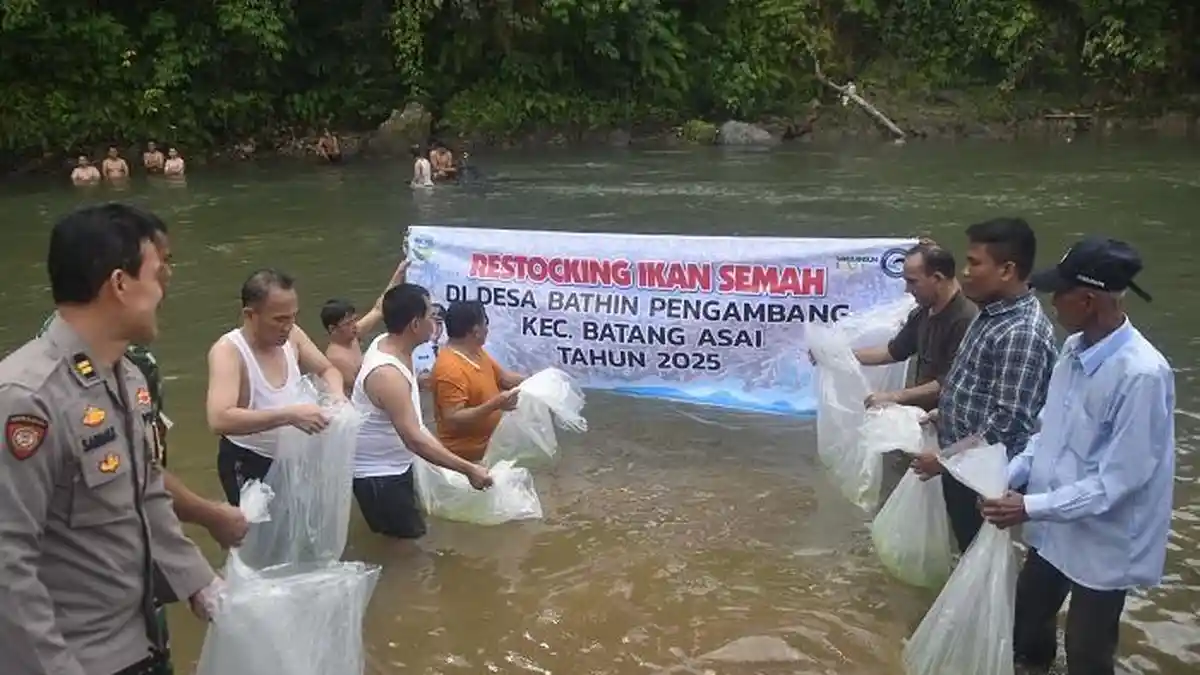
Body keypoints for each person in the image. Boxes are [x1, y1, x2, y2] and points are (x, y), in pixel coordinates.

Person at [0, 203, 219, 675]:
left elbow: (146, 493)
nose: (164, 289)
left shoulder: (128, 377)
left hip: (140, 644)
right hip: (76, 658)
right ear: (120, 285)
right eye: (157, 274)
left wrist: (198, 582)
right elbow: (6, 563)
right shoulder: (26, 397)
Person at [981, 237, 1172, 675]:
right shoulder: (1072, 348)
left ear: (1087, 300)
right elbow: (1045, 433)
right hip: (1053, 525)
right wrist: (1006, 477)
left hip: (1103, 542)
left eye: (1058, 294)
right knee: (1027, 623)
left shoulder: (1142, 375)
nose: (1051, 304)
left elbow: (1117, 484)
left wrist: (1028, 506)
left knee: (1087, 651)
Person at [911, 217, 1057, 552]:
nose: (964, 272)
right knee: (966, 555)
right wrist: (942, 413)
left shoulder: (1020, 332)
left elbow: (1008, 426)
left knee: (983, 564)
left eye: (974, 263)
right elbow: (974, 384)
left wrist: (945, 459)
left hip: (987, 480)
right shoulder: (991, 313)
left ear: (1007, 270)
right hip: (964, 465)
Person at [813, 242, 978, 505]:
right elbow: (894, 351)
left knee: (948, 503)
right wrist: (838, 356)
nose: (907, 290)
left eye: (912, 282)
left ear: (937, 278)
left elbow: (950, 382)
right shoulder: (924, 313)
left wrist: (894, 396)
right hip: (920, 424)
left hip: (953, 430)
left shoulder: (967, 318)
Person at [351, 284, 493, 538]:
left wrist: (415, 384)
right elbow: (414, 439)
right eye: (430, 316)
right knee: (405, 552)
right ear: (415, 325)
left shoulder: (387, 343)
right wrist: (468, 470)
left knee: (406, 540)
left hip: (394, 467)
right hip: (381, 477)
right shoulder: (388, 375)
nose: (436, 322)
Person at [206, 269, 345, 505]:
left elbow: (327, 370)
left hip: (291, 458)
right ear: (250, 315)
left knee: (295, 535)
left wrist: (337, 396)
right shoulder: (229, 352)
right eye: (280, 319)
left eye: (293, 317)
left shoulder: (294, 336)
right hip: (249, 461)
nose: (288, 326)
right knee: (252, 537)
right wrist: (290, 415)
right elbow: (219, 419)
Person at [430, 301, 526, 462]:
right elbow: (454, 418)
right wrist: (494, 405)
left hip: (491, 450)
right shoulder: (449, 369)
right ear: (475, 331)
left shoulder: (476, 352)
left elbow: (504, 379)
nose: (487, 329)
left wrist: (538, 382)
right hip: (466, 461)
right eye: (485, 324)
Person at [321, 259, 410, 394]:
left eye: (354, 320)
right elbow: (364, 387)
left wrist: (399, 273)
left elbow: (379, 309)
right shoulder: (336, 358)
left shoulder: (352, 335)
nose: (354, 326)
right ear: (333, 329)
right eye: (348, 323)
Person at [412, 301, 445, 389]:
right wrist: (417, 380)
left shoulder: (448, 350)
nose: (436, 328)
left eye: (439, 324)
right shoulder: (413, 348)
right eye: (432, 322)